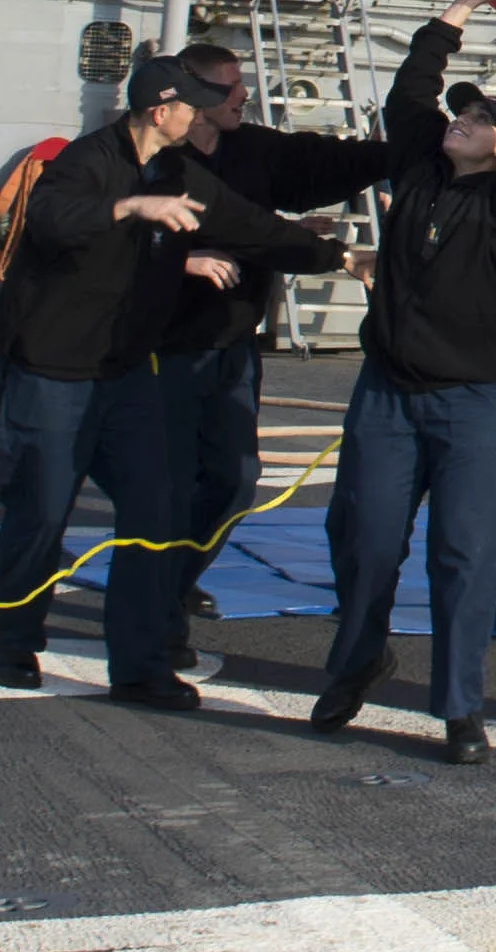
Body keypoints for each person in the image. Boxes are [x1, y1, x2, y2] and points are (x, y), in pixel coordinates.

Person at [311, 0, 496, 763]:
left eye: (477, 120)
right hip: (390, 396)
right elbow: (411, 96)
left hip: (480, 406)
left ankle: (461, 706)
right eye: (460, 114)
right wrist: (455, 15)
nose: (460, 121)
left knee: (465, 558)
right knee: (363, 541)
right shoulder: (420, 173)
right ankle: (361, 657)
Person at [0, 55, 305, 706]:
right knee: (41, 512)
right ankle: (15, 640)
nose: (203, 111)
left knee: (155, 510)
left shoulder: (175, 170)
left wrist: (337, 255)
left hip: (122, 374)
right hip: (51, 372)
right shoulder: (85, 162)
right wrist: (130, 207)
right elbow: (51, 217)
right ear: (162, 111)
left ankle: (139, 665)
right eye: (192, 102)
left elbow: (245, 221)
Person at [144, 40, 374, 674]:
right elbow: (123, 233)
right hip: (164, 349)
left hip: (233, 343)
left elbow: (262, 215)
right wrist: (181, 258)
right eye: (227, 89)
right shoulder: (158, 161)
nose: (241, 95)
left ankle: (178, 575)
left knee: (234, 478)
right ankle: (156, 610)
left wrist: (303, 237)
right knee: (163, 485)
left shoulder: (252, 149)